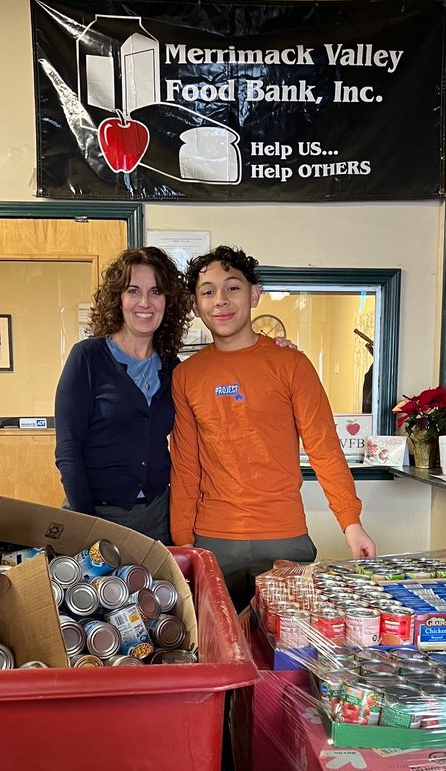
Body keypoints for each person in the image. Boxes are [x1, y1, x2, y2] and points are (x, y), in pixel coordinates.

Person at [170, 245, 377, 611]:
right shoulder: (187, 375)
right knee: (220, 650)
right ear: (195, 305)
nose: (221, 300)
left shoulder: (291, 364)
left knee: (289, 649)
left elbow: (324, 448)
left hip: (285, 536)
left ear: (254, 294)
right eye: (208, 292)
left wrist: (350, 522)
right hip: (214, 539)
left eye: (232, 287)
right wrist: (183, 540)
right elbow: (186, 464)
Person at [53, 246, 192, 543]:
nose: (145, 302)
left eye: (156, 292)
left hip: (158, 517)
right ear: (119, 298)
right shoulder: (88, 358)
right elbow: (68, 451)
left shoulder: (172, 367)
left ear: (168, 302)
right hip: (98, 515)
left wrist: (271, 349)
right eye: (133, 290)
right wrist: (87, 526)